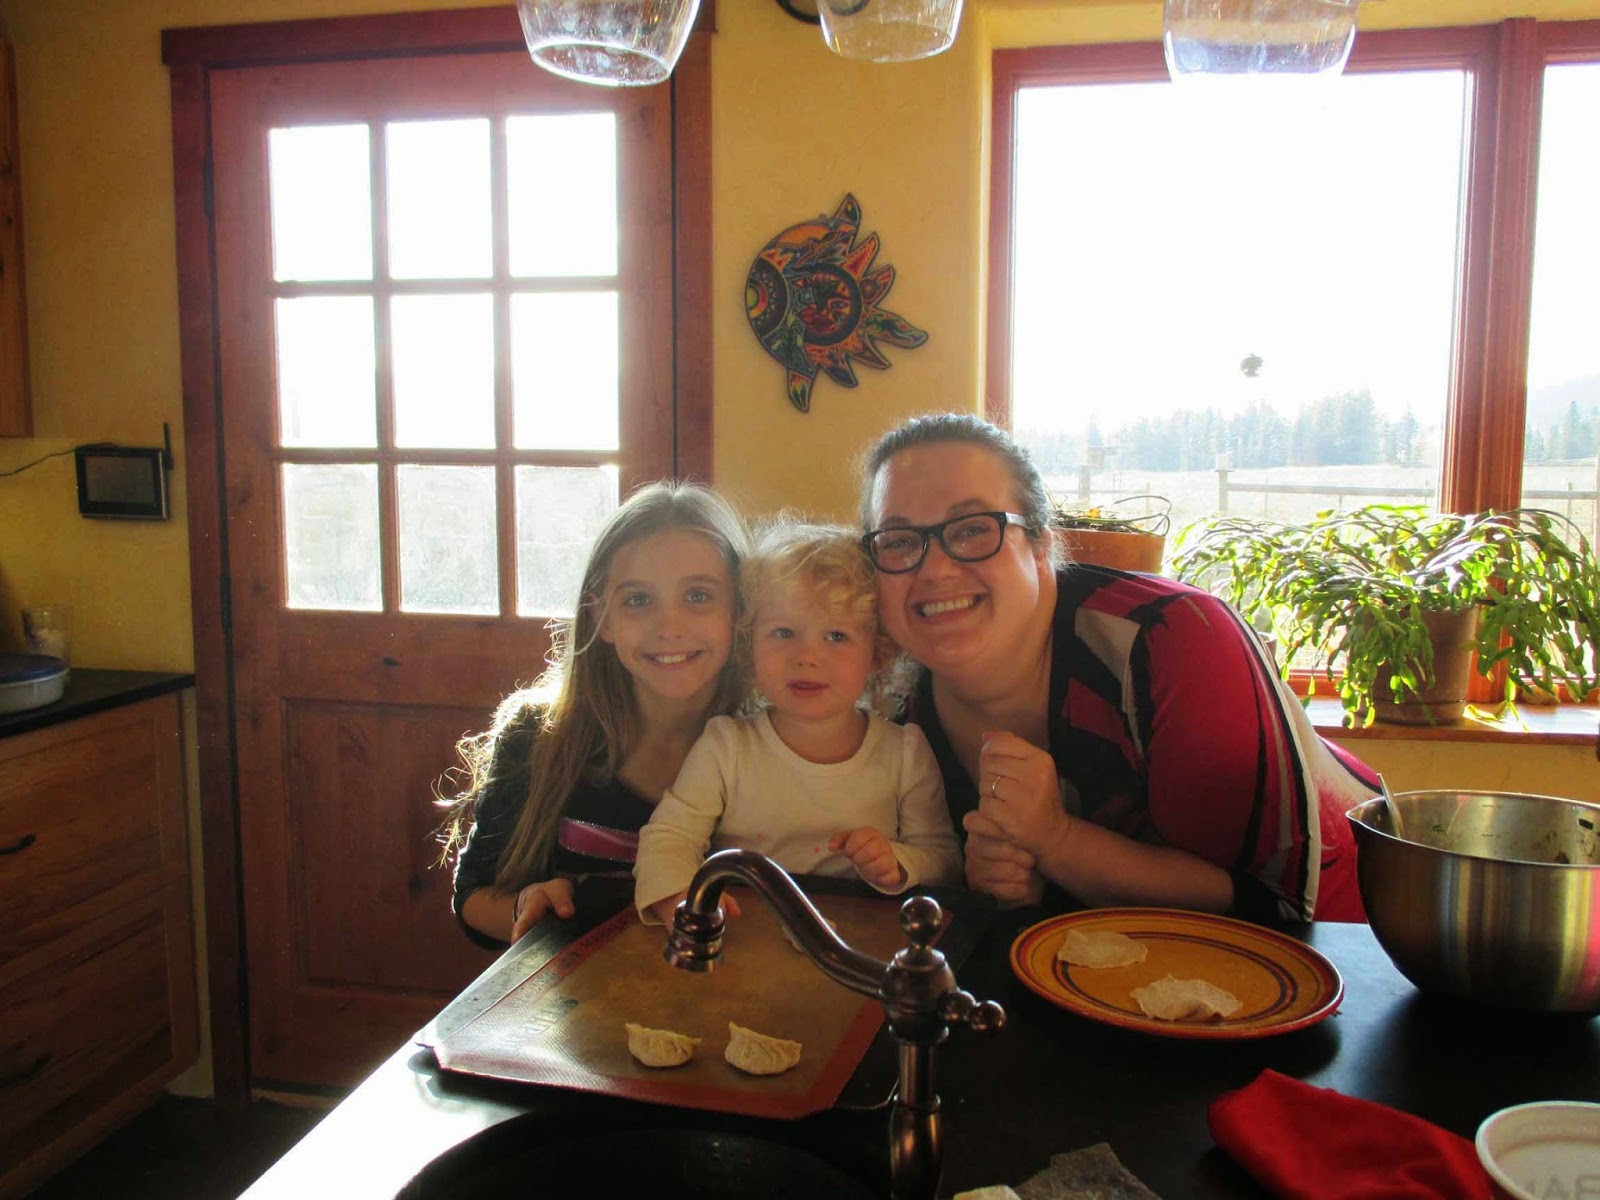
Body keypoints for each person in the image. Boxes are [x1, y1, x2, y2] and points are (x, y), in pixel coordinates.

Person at [856, 413, 1378, 923]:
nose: (935, 569)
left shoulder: (1175, 637)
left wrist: (1056, 840)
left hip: (1359, 947)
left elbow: (1269, 904)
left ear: (1040, 544)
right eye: (899, 541)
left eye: (973, 529)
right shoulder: (888, 696)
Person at [440, 481, 750, 949]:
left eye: (698, 596)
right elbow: (472, 896)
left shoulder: (780, 743)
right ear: (601, 618)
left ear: (740, 609)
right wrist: (529, 907)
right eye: (638, 600)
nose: (669, 627)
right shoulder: (539, 737)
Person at [633, 518, 963, 926]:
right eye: (783, 632)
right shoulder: (726, 745)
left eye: (836, 636)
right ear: (749, 644)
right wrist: (678, 898)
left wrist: (898, 862)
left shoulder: (905, 752)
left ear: (877, 653)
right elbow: (670, 836)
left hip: (858, 943)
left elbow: (944, 859)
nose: (807, 657)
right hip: (742, 936)